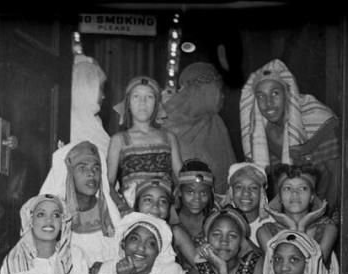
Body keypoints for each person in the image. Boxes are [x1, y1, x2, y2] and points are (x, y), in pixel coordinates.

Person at [39, 139, 122, 274]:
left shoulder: (110, 211)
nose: (91, 174)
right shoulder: (53, 216)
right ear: (68, 173)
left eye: (96, 168)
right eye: (82, 168)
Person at [240, 59, 341, 218]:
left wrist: (322, 216)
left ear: (288, 94)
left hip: (325, 209)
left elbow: (337, 175)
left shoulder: (317, 120)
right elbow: (277, 181)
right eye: (260, 96)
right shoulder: (262, 132)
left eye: (275, 93)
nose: (268, 103)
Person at [107, 76, 183, 211]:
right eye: (136, 96)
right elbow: (108, 183)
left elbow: (181, 178)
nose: (142, 102)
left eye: (149, 97)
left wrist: (173, 201)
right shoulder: (119, 140)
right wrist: (122, 207)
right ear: (128, 103)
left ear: (157, 104)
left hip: (163, 210)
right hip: (132, 210)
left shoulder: (168, 137)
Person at [161, 61, 236, 196]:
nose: (220, 95)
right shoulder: (166, 120)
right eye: (215, 88)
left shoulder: (216, 123)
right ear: (200, 89)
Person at [258, 164, 338, 267]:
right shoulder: (265, 231)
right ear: (280, 198)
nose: (295, 193)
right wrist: (293, 227)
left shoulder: (328, 229)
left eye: (303, 188)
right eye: (287, 188)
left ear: (312, 197)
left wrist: (301, 226)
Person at [69, 54, 111, 161]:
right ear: (88, 88)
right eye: (101, 89)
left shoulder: (95, 121)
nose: (103, 96)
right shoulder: (73, 122)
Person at [223, 162, 273, 247]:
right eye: (239, 187)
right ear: (231, 192)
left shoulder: (272, 227)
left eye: (253, 188)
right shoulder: (218, 223)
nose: (246, 193)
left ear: (262, 193)